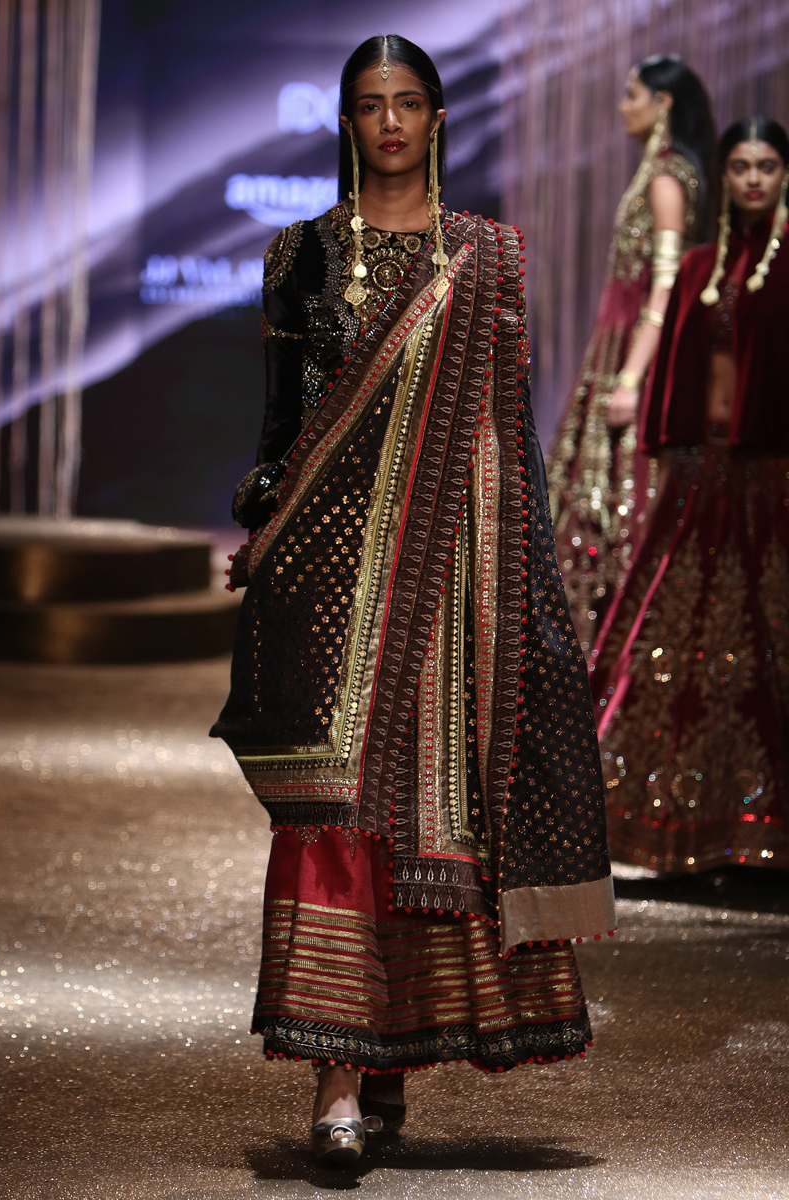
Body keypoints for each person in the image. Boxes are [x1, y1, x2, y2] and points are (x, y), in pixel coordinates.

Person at [213, 35, 614, 1168]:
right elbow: (283, 427)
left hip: (448, 583)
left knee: (426, 810)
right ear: (346, 122)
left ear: (436, 118)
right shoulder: (300, 253)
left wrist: (527, 596)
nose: (388, 121)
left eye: (406, 102)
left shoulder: (484, 256)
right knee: (335, 805)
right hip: (329, 578)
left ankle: (383, 1058)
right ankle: (336, 1080)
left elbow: (507, 438)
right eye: (367, 104)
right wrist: (263, 515)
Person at [590, 116, 789, 874]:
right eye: (740, 165)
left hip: (773, 475)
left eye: (766, 165)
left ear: (784, 174)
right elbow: (678, 364)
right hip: (702, 474)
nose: (753, 179)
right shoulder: (703, 264)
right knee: (670, 639)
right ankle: (680, 827)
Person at [547, 55, 716, 653]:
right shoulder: (663, 173)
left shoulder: (667, 178)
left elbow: (665, 288)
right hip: (617, 350)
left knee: (618, 502)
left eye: (632, 94)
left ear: (662, 104)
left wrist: (631, 378)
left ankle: (616, 649)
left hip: (632, 356)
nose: (623, 107)